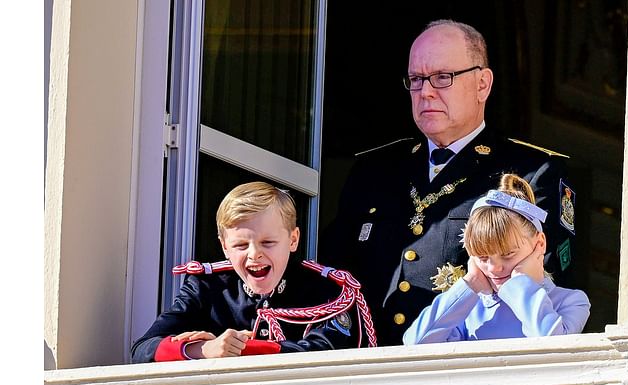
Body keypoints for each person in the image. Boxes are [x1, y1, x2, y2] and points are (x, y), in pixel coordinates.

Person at [319, 19, 578, 345]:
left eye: (443, 78)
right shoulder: (374, 171)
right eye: (416, 79)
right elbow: (331, 277)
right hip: (365, 368)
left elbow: (547, 283)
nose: (425, 91)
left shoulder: (531, 173)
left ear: (482, 84)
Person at [131, 182, 357, 362]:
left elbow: (329, 353)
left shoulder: (326, 290)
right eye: (240, 245)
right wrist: (203, 349)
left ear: (293, 239)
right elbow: (143, 350)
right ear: (224, 247)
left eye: (268, 242)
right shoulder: (207, 287)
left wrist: (244, 349)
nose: (254, 254)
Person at [403, 174, 590, 344]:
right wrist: (470, 284)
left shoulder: (570, 301)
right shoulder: (467, 307)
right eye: (483, 257)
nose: (494, 268)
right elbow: (415, 345)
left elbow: (553, 346)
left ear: (539, 244)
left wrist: (520, 285)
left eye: (508, 254)